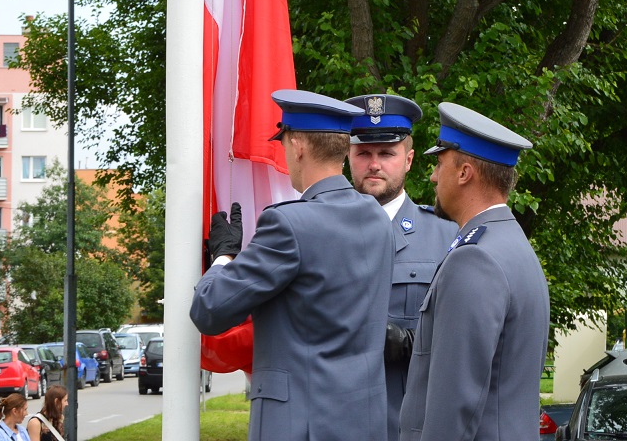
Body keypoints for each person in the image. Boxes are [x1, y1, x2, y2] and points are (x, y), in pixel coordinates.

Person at [190, 89, 394, 441]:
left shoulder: (288, 224)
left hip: (300, 424)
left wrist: (224, 256)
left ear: (298, 145)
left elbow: (209, 309)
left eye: (283, 142)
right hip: (363, 421)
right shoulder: (376, 217)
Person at [397, 102, 551, 441]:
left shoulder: (475, 259)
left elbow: (453, 407)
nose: (433, 176)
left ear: (465, 173)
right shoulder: (513, 246)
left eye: (439, 164)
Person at [344, 93, 458, 441]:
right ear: (347, 157)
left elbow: (467, 338)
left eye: (387, 153)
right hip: (335, 422)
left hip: (408, 426)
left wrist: (412, 342)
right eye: (363, 153)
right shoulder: (315, 232)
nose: (374, 164)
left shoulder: (447, 235)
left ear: (408, 160)